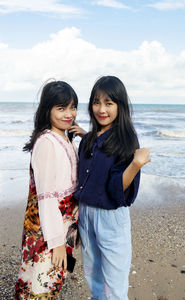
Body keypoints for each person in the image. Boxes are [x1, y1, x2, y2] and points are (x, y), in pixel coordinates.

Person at [74, 76, 151, 300]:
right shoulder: (90, 139)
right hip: (86, 214)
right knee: (93, 277)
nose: (101, 109)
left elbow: (116, 189)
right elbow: (93, 163)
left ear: (120, 105)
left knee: (115, 284)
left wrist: (136, 164)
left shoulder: (126, 140)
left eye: (109, 103)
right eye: (96, 102)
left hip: (110, 217)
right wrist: (84, 134)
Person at [15, 80, 85, 299]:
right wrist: (57, 243)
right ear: (48, 109)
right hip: (50, 227)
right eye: (61, 108)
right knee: (41, 281)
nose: (69, 114)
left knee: (52, 280)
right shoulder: (46, 142)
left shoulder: (65, 137)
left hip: (63, 224)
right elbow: (45, 198)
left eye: (72, 107)